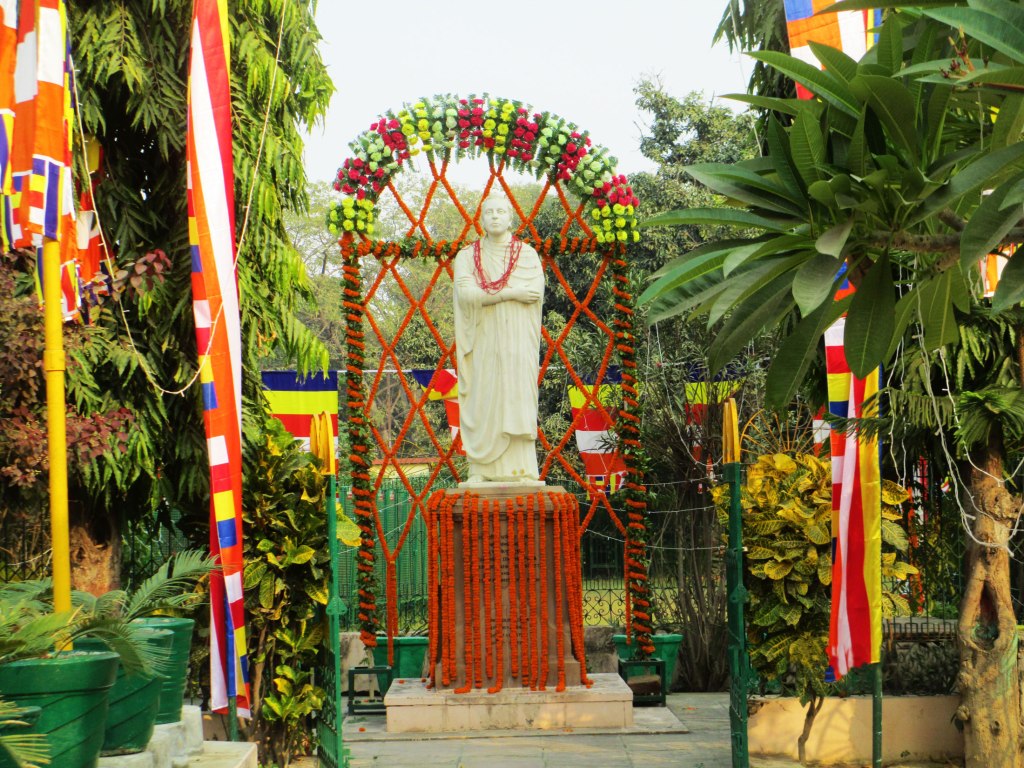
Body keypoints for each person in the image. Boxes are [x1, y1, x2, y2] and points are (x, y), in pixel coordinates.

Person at [453, 193, 544, 483]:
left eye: (500, 211)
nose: (494, 216)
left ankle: (524, 470)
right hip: (483, 339)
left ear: (510, 219)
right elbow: (466, 294)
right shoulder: (467, 256)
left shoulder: (527, 255)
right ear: (480, 219)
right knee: (484, 396)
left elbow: (535, 294)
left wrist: (497, 296)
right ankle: (480, 469)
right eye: (488, 211)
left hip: (517, 341)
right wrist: (510, 294)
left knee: (517, 395)